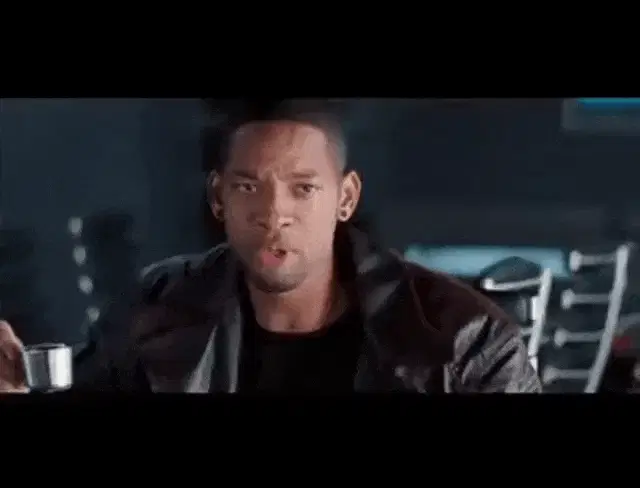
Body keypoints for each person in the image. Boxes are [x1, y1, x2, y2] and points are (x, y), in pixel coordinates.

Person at [0, 99, 541, 393]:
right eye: (247, 188)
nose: (273, 213)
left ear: (345, 198)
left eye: (303, 189)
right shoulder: (156, 312)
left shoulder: (466, 342)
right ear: (218, 198)